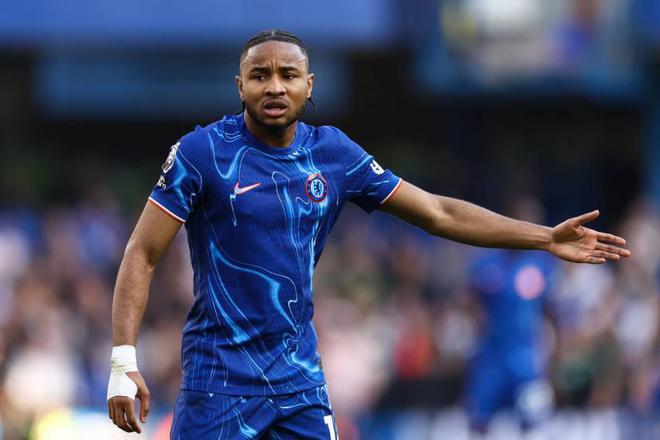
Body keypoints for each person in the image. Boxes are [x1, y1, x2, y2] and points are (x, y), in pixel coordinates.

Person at [106, 29, 631, 438]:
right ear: (240, 85)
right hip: (218, 382)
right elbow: (142, 252)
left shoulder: (333, 154)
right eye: (260, 75)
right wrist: (123, 361)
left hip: (298, 382)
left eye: (288, 74)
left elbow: (437, 212)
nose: (275, 87)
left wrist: (544, 238)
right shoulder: (202, 153)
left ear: (309, 85)